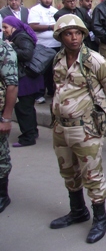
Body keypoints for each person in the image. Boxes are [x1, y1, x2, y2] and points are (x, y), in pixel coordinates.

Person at [49, 14, 106, 244]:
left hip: (85, 129)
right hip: (60, 127)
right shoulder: (58, 59)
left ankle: (101, 218)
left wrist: (100, 111)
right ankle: (78, 211)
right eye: (68, 34)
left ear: (82, 34)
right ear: (61, 36)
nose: (73, 38)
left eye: (77, 33)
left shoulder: (95, 61)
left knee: (92, 175)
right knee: (68, 172)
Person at [2, 17, 43, 147]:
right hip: (26, 78)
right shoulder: (17, 36)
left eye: (6, 27)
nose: (4, 31)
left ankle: (28, 137)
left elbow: (27, 54)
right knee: (27, 108)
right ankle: (32, 131)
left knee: (23, 109)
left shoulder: (21, 37)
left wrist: (10, 49)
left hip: (26, 79)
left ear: (14, 27)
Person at [28, 0, 61, 103]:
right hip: (42, 46)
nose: (47, 0)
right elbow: (32, 26)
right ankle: (39, 94)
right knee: (41, 70)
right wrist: (50, 27)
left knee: (54, 70)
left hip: (56, 45)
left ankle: (52, 91)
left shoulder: (55, 11)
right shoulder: (35, 10)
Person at [0, 35, 19, 213]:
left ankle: (2, 195)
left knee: (0, 155)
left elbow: (12, 85)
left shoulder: (4, 50)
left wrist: (6, 118)